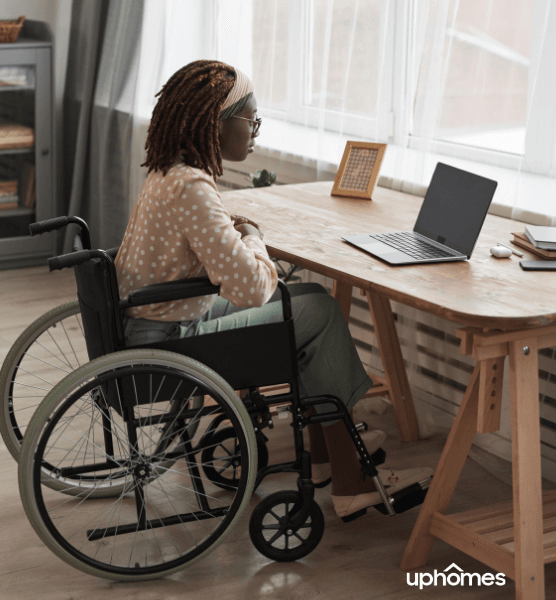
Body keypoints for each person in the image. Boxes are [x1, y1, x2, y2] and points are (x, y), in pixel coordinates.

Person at [114, 60, 432, 520]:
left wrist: (236, 235)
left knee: (310, 301)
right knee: (315, 314)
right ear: (216, 124)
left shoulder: (172, 172)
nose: (256, 131)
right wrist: (254, 238)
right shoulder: (191, 187)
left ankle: (333, 454)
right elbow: (252, 289)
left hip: (160, 320)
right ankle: (347, 472)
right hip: (168, 341)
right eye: (251, 121)